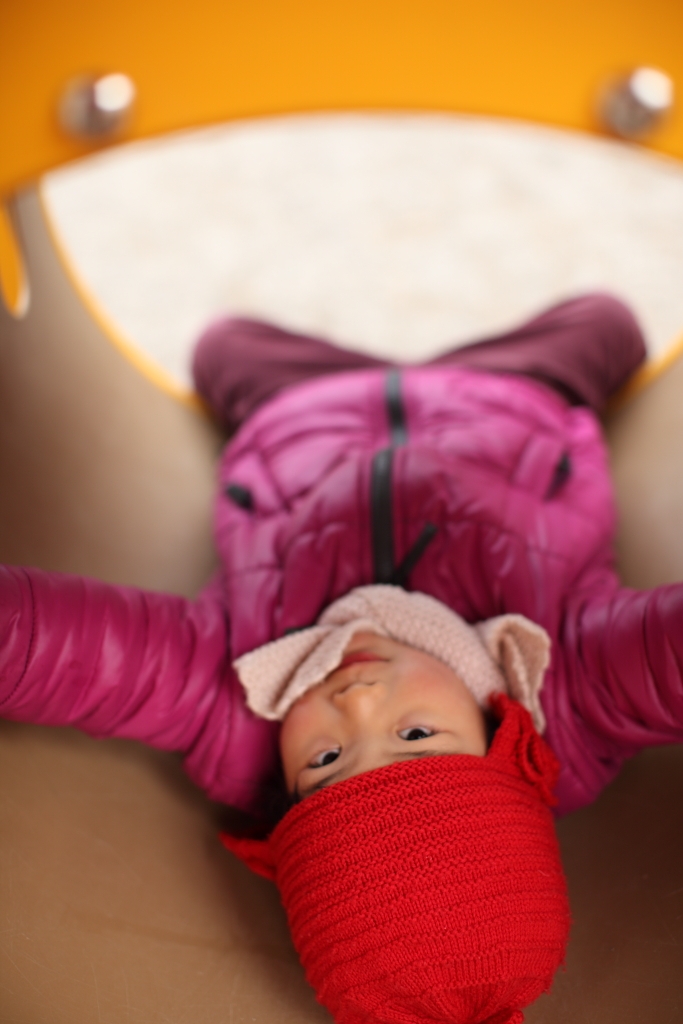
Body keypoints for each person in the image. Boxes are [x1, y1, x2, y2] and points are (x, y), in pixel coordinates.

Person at [2, 292, 682, 1024]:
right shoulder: (570, 691)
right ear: (503, 744)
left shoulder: (235, 708)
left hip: (296, 411)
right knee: (607, 321)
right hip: (513, 396)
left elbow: (77, 657)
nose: (356, 703)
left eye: (324, 760)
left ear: (284, 804)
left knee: (222, 344)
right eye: (415, 735)